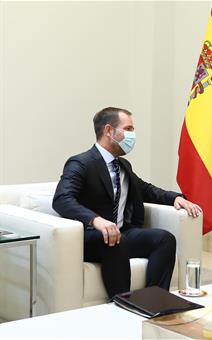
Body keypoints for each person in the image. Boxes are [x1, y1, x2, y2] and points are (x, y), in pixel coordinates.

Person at [53, 107, 202, 298]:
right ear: (109, 131)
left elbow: (146, 189)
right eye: (129, 129)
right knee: (115, 240)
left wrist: (175, 198)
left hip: (122, 234)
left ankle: (154, 299)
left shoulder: (122, 165)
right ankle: (123, 302)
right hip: (92, 237)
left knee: (164, 239)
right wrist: (96, 220)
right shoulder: (81, 163)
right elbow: (62, 199)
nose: (133, 135)